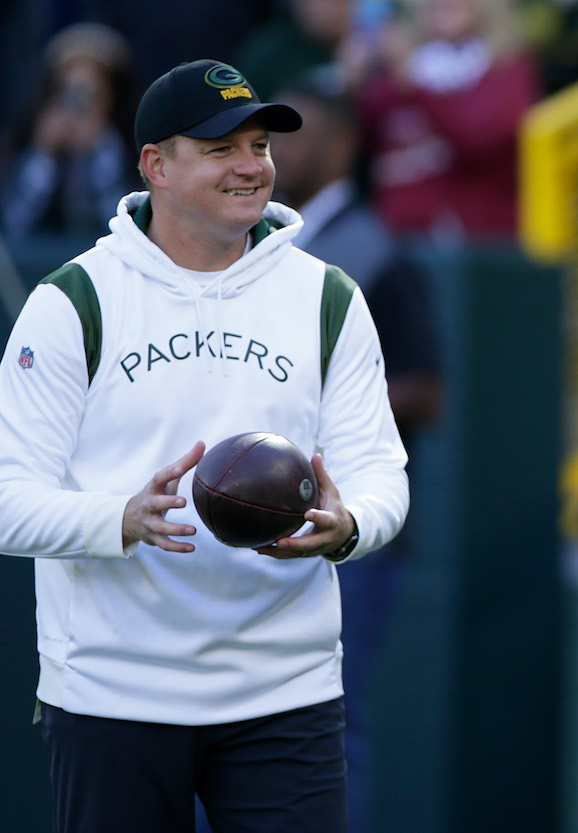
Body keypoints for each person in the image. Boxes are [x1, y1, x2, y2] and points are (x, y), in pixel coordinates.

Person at [0, 58, 410, 833]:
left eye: (260, 145)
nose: (252, 166)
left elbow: (380, 468)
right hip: (112, 693)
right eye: (222, 147)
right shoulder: (73, 302)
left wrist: (349, 526)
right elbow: (6, 496)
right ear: (155, 164)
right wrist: (121, 516)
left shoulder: (328, 296)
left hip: (286, 693)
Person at [271, 66, 444, 833]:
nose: (272, 150)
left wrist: (306, 408)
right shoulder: (256, 244)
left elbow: (426, 391)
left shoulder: (372, 252)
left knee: (326, 729)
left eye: (290, 132)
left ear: (342, 142)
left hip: (347, 534)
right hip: (259, 529)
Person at [347, 0, 541, 240]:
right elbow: (357, 140)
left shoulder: (506, 68)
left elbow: (478, 140)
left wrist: (412, 83)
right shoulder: (402, 64)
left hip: (477, 245)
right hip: (395, 238)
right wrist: (353, 84)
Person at [2, 22, 139, 238]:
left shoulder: (132, 147)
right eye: (68, 92)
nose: (78, 106)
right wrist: (43, 155)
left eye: (90, 93)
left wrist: (102, 148)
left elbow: (127, 227)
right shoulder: (24, 142)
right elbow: (14, 227)